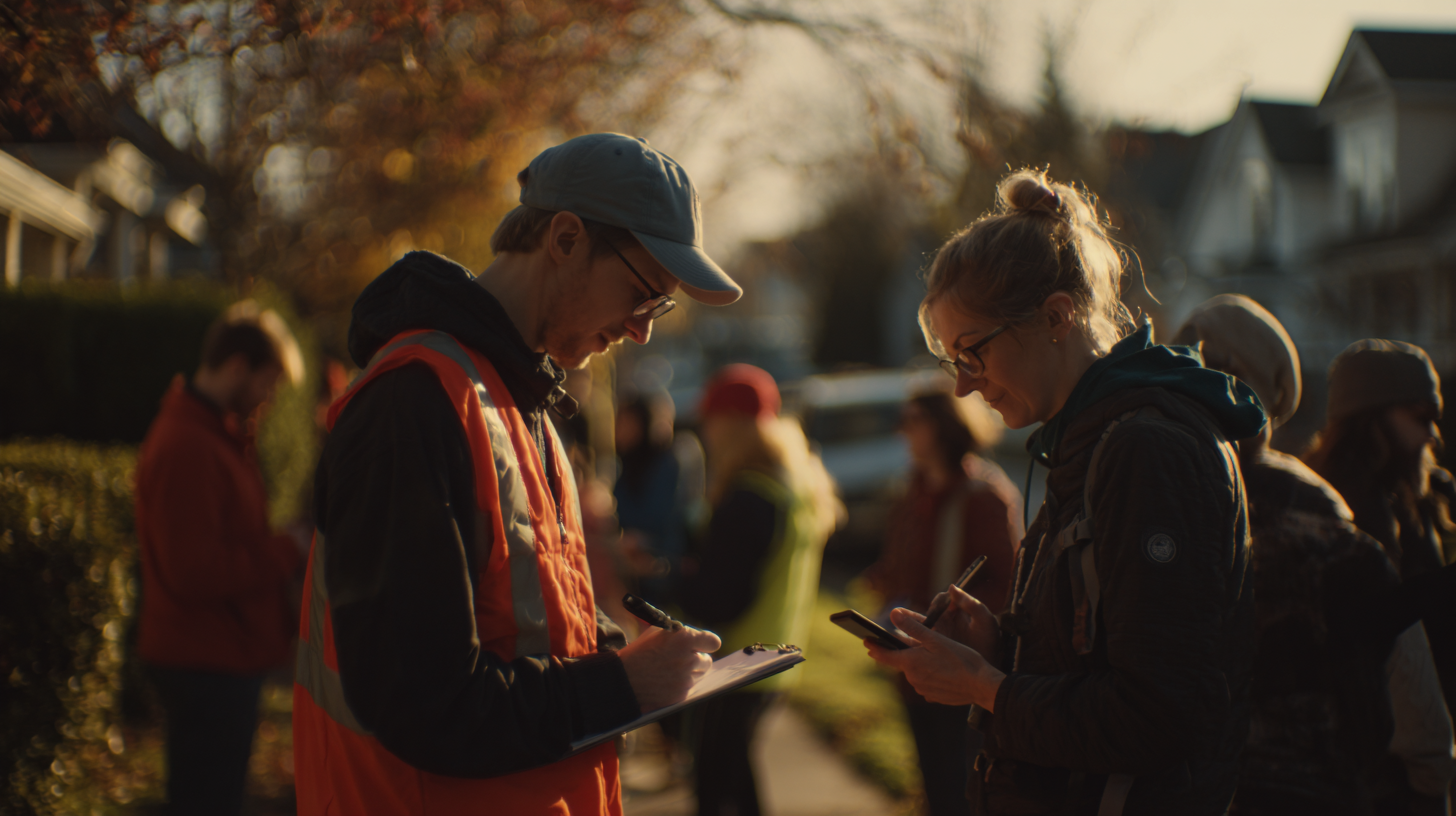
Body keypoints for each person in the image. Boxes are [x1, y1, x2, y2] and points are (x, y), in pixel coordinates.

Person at [293, 133, 734, 816]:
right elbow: (424, 702)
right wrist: (621, 686)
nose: (643, 330)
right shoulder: (414, 405)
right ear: (563, 239)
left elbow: (522, 630)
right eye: (644, 294)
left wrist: (616, 654)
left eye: (659, 308)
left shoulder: (520, 405)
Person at [866, 169, 1265, 815]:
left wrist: (987, 687)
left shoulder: (1144, 451)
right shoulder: (1089, 441)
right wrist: (1000, 647)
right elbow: (1103, 659)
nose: (964, 386)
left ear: (1056, 316)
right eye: (951, 362)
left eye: (972, 353)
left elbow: (1157, 717)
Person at [1173, 295, 1454, 815]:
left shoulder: (1146, 495)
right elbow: (1420, 717)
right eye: (1421, 415)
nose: (1434, 432)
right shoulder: (1326, 521)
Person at [133, 300, 306, 816]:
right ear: (237, 367)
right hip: (205, 661)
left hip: (216, 654)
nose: (270, 399)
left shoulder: (213, 437)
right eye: (268, 383)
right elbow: (196, 571)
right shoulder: (190, 446)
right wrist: (287, 548)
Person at [674, 363, 843, 816]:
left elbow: (719, 598)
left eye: (710, 419)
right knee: (738, 782)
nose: (705, 431)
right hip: (776, 655)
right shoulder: (797, 487)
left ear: (732, 423)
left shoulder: (748, 495)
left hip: (736, 660)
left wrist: (666, 576)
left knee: (714, 789)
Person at [1303, 338, 1456, 813]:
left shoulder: (1424, 498)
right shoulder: (1338, 518)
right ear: (1370, 419)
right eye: (1419, 416)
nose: (1433, 434)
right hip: (1383, 780)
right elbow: (1373, 634)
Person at [862, 386, 1022, 816]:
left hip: (959, 665)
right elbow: (898, 561)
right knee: (933, 781)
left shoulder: (984, 496)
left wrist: (954, 616)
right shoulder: (911, 492)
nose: (902, 430)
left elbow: (1009, 585)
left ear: (944, 427)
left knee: (962, 787)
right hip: (912, 661)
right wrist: (881, 583)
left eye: (913, 420)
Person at [614, 389, 704, 600]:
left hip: (665, 569)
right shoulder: (626, 466)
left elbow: (664, 515)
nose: (621, 430)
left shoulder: (669, 462)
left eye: (629, 422)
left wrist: (639, 540)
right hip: (633, 570)